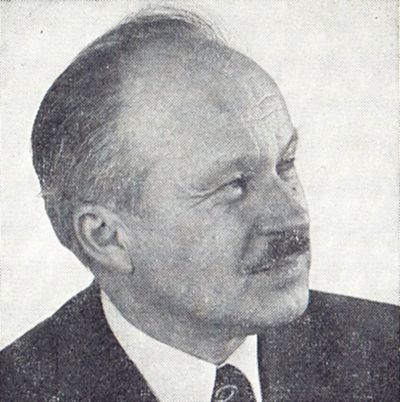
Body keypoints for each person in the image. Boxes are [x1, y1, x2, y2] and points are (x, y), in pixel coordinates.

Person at [1, 8, 398, 402]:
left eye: (285, 164)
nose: (294, 215)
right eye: (233, 185)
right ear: (107, 237)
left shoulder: (387, 352)